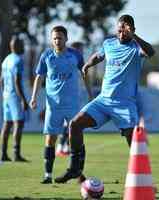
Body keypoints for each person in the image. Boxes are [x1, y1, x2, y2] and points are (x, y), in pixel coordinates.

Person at [54, 14, 155, 183]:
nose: (122, 33)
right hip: (103, 101)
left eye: (126, 30)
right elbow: (99, 56)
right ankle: (75, 169)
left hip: (125, 104)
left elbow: (151, 52)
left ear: (132, 30)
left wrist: (134, 36)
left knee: (135, 143)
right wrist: (87, 65)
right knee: (75, 125)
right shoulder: (109, 44)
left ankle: (143, 181)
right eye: (120, 29)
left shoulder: (136, 48)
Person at [29, 26, 91, 184]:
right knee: (50, 139)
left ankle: (78, 172)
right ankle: (47, 175)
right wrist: (34, 97)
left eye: (60, 38)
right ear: (52, 39)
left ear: (66, 39)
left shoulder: (75, 55)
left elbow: (84, 73)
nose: (57, 40)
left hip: (72, 105)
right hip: (53, 106)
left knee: (76, 139)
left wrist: (90, 94)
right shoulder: (46, 56)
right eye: (54, 38)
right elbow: (39, 77)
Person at [0, 37, 28, 165]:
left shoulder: (6, 60)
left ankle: (3, 154)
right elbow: (17, 81)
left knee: (7, 124)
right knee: (18, 123)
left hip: (6, 96)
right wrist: (23, 100)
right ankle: (16, 154)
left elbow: (1, 80)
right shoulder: (18, 60)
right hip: (15, 96)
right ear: (17, 46)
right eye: (22, 44)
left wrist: (3, 93)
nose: (24, 47)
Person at [55, 41, 92, 158]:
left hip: (74, 96)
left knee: (70, 123)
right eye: (80, 50)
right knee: (71, 123)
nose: (81, 52)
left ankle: (64, 145)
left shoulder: (75, 61)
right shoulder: (70, 59)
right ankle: (62, 146)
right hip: (68, 97)